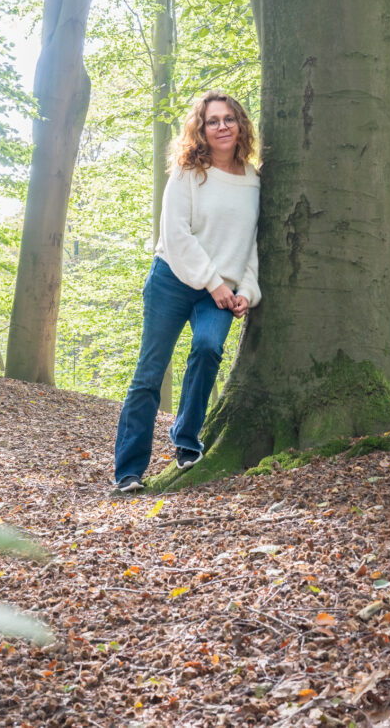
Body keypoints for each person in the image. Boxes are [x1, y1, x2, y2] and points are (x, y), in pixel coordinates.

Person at [113, 90, 261, 493]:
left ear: (240, 124)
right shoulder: (186, 173)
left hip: (222, 290)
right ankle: (128, 470)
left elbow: (252, 244)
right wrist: (213, 283)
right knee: (149, 372)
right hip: (173, 281)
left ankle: (186, 437)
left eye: (229, 119)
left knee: (210, 347)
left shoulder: (253, 180)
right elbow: (175, 235)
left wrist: (246, 289)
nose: (222, 127)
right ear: (201, 128)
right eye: (212, 121)